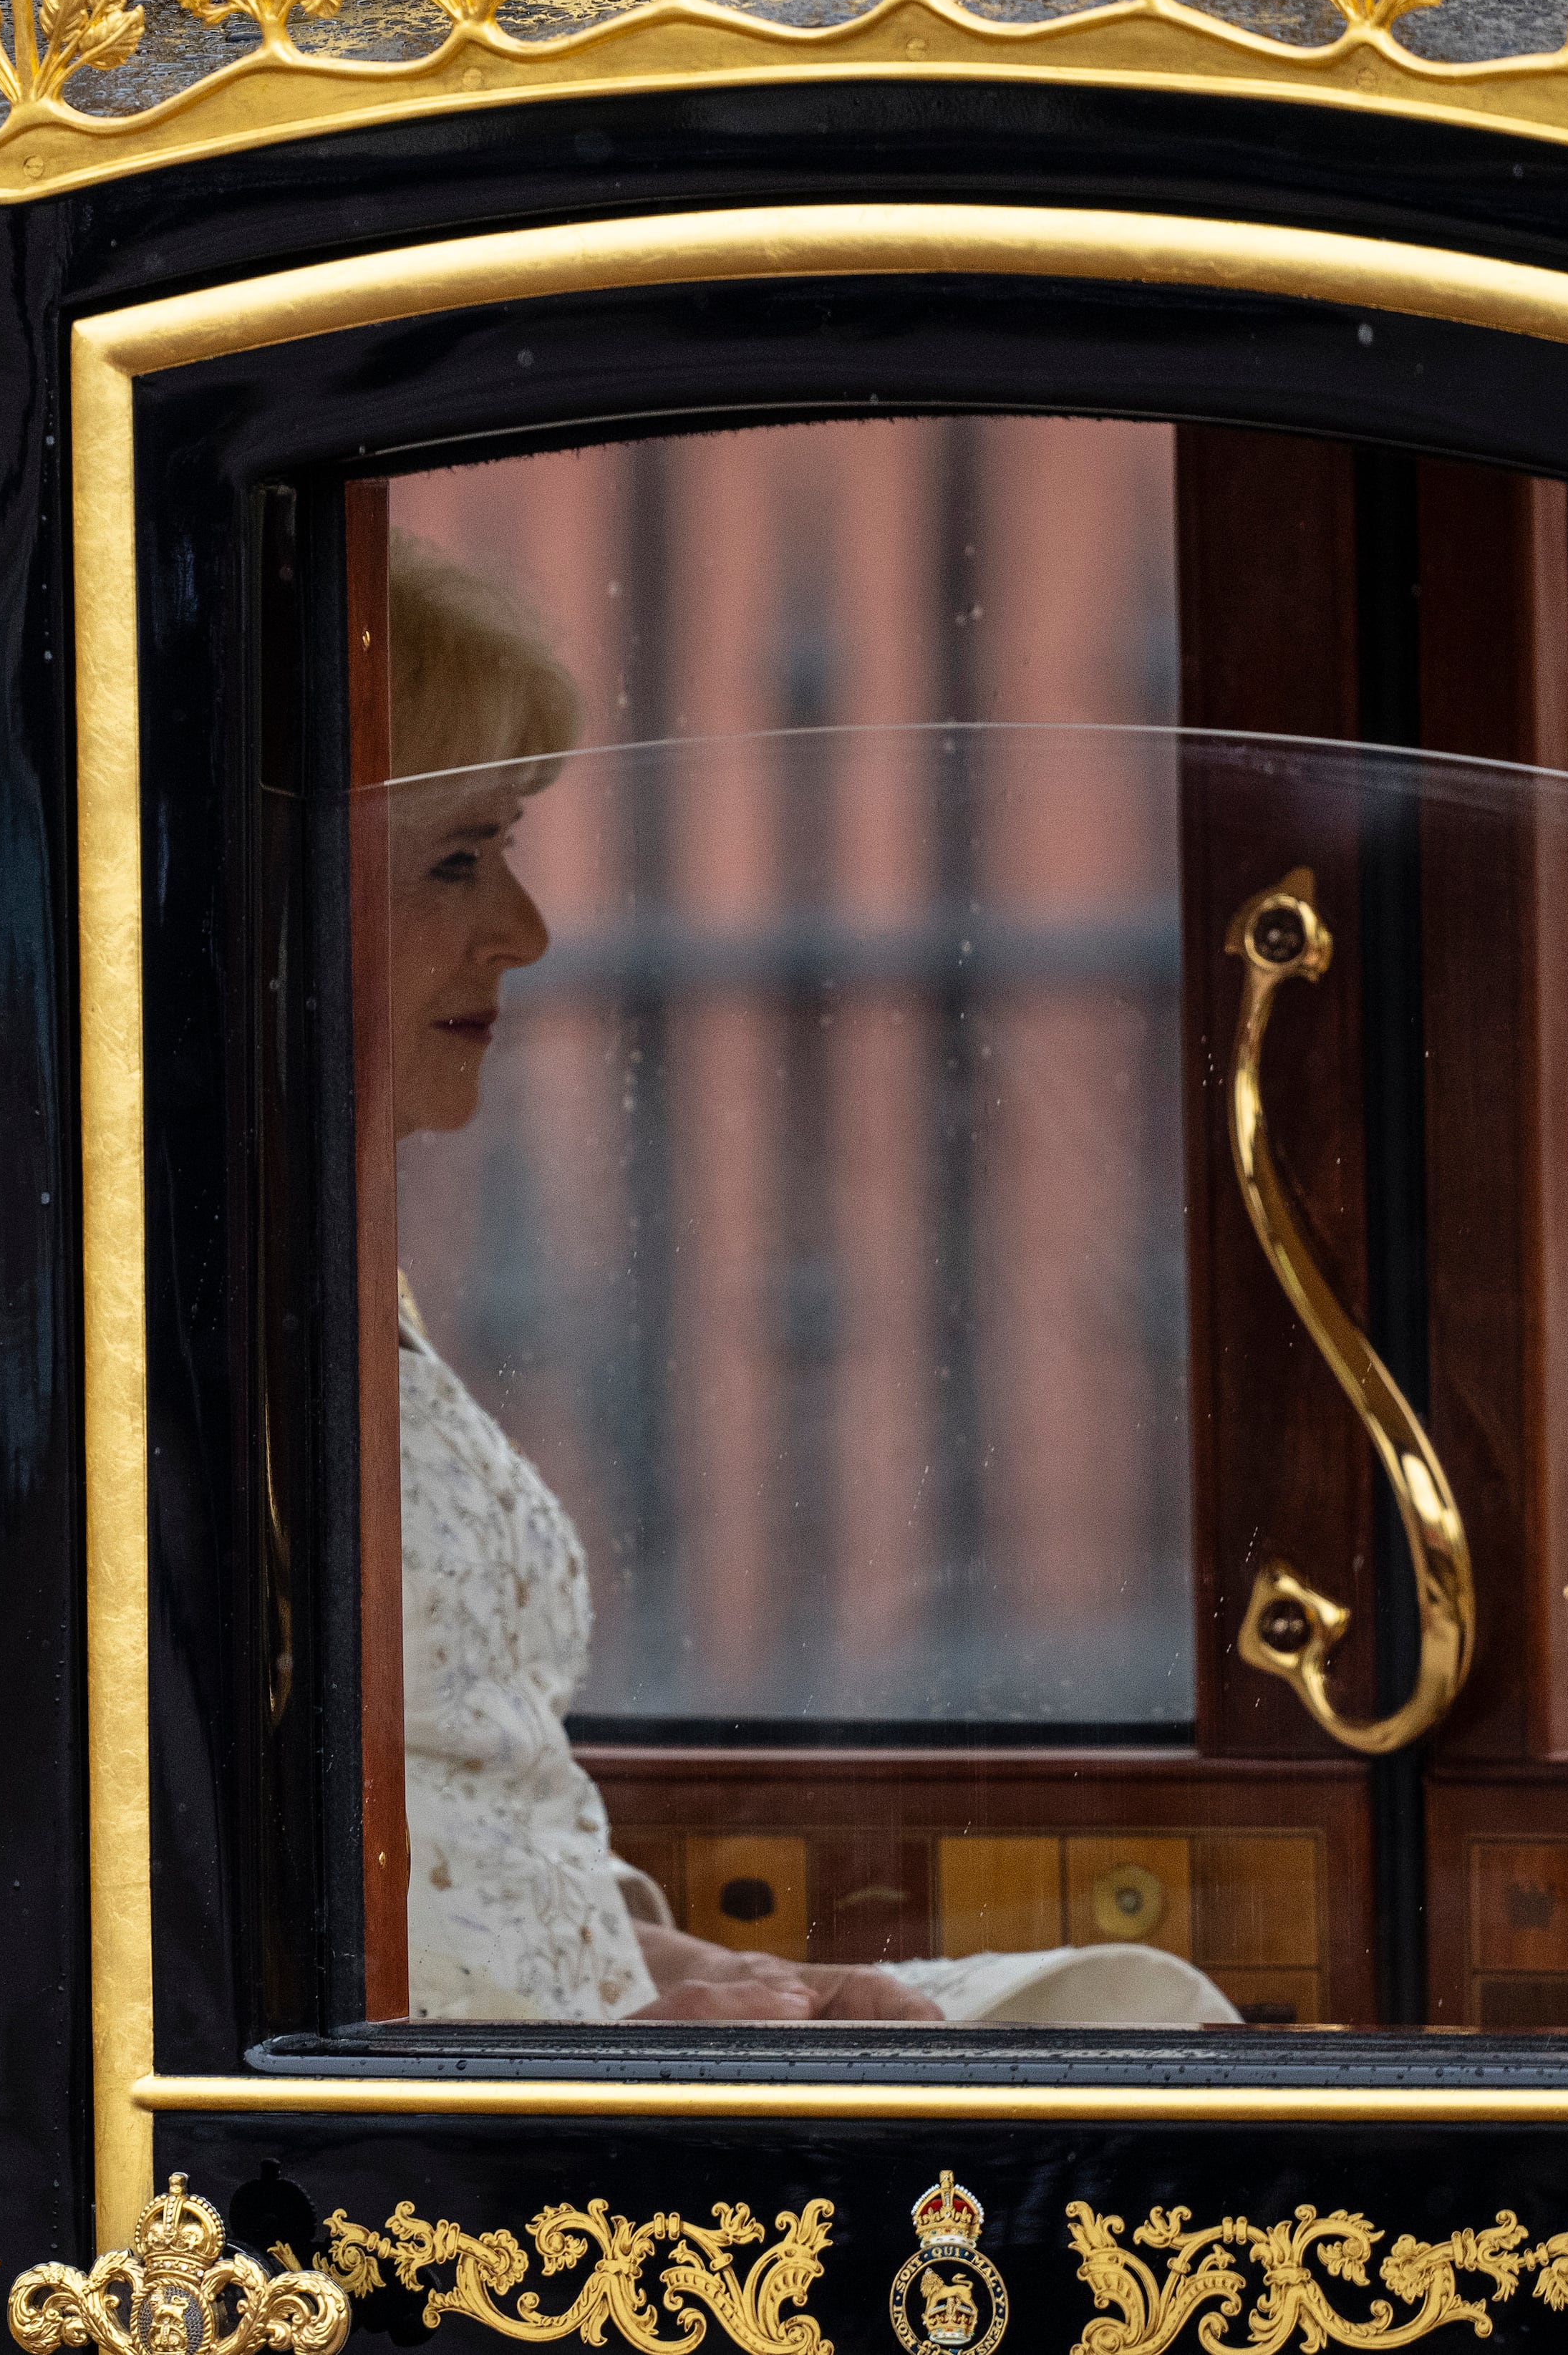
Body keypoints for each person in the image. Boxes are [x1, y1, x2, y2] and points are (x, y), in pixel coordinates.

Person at [384, 538, 1232, 2028]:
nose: (521, 930)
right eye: (458, 856)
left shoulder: (314, 1262)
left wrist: (690, 1968)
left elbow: (447, 1823)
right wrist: (598, 2051)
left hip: (574, 2032)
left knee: (1120, 2020)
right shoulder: (49, 1313)